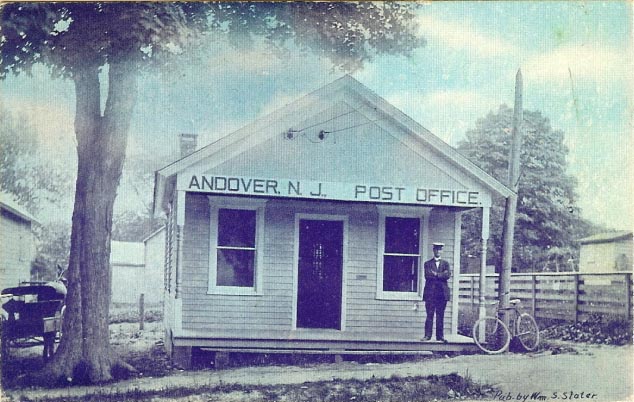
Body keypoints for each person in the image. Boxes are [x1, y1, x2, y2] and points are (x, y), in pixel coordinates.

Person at [422, 242, 451, 342]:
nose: (438, 251)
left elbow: (447, 276)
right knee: (429, 315)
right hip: (430, 294)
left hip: (442, 294)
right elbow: (428, 276)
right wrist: (441, 275)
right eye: (436, 249)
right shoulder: (427, 264)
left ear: (442, 251)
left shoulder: (446, 264)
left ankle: (440, 336)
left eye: (440, 249)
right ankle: (427, 336)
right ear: (433, 251)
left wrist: (436, 274)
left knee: (440, 315)